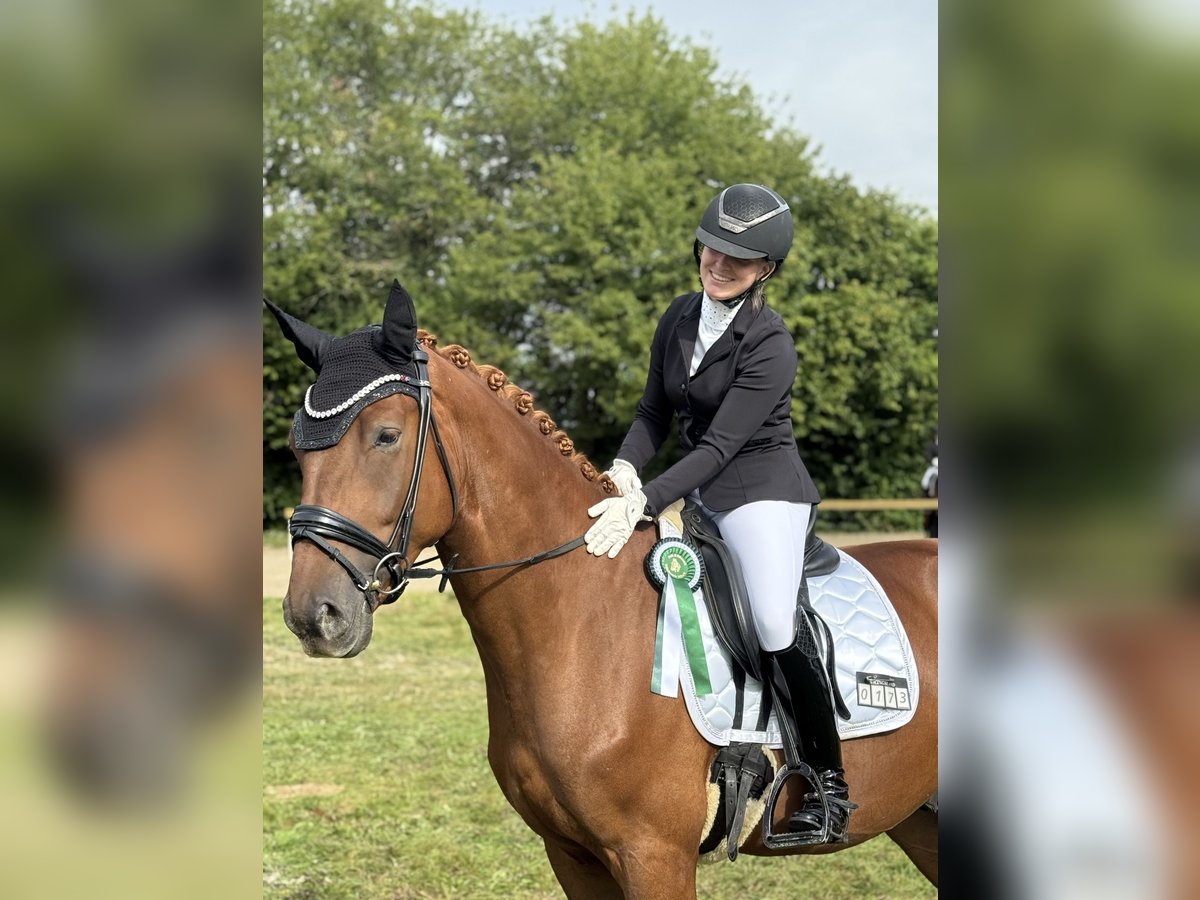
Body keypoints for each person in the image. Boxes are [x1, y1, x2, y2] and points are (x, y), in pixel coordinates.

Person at [584, 183, 855, 844]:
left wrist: (647, 500)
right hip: (698, 489)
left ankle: (828, 786)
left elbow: (720, 447)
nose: (720, 264)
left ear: (765, 269)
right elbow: (653, 412)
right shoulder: (678, 316)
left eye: (740, 258)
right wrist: (623, 469)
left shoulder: (770, 343)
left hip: (761, 490)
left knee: (772, 621)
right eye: (713, 248)